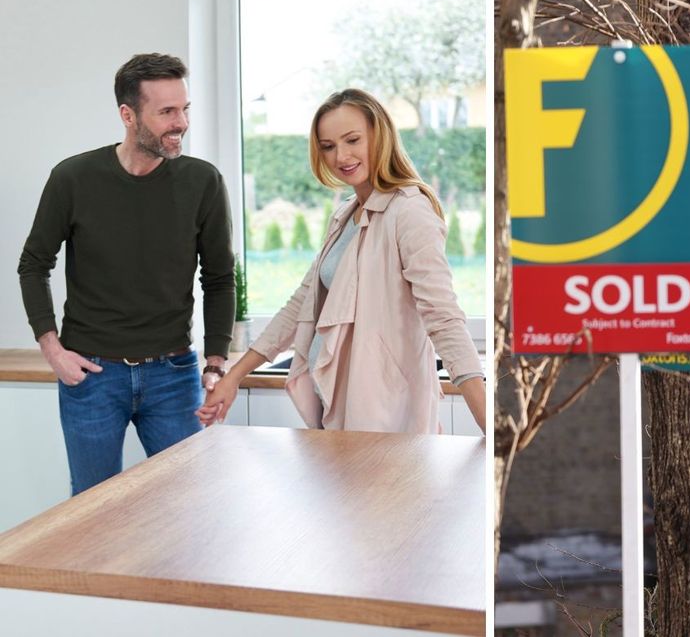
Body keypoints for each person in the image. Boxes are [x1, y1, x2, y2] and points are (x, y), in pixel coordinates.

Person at [197, 89, 485, 433]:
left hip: (385, 416)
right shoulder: (345, 214)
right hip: (332, 406)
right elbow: (299, 306)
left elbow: (444, 318)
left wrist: (492, 432)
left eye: (352, 140)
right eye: (328, 146)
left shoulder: (409, 211)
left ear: (380, 135)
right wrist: (234, 377)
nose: (341, 156)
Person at [17, 53, 235, 495]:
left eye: (185, 109)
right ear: (128, 114)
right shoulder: (73, 179)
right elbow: (34, 264)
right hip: (92, 377)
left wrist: (215, 362)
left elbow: (219, 277)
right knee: (91, 515)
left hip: (173, 374)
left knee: (190, 508)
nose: (181, 123)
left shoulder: (202, 182)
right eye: (167, 112)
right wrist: (52, 348)